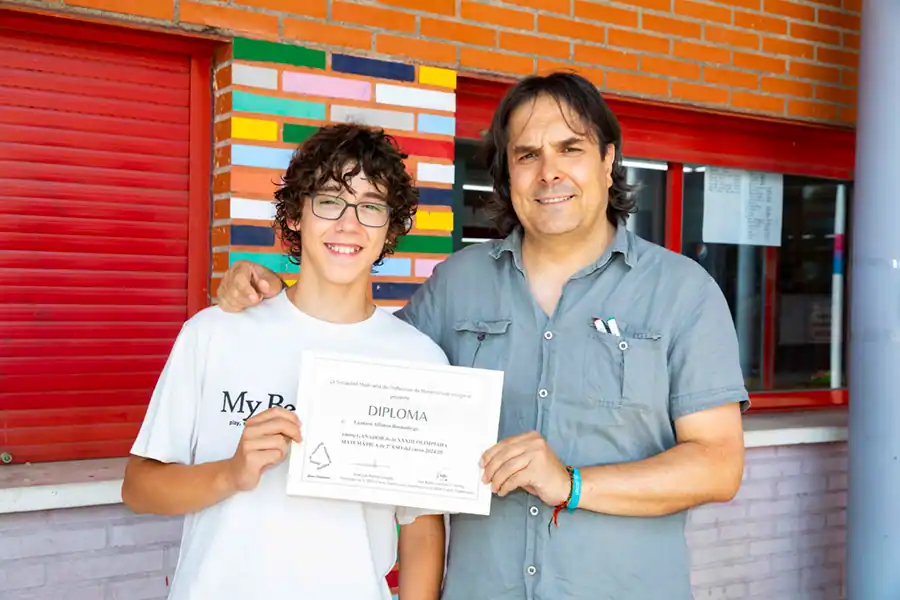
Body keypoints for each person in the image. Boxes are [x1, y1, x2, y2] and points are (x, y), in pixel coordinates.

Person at [216, 73, 748, 600]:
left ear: (608, 160)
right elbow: (356, 361)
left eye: (570, 148)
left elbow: (719, 465)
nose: (549, 172)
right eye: (527, 155)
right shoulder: (457, 285)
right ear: (507, 173)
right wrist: (268, 297)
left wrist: (572, 483)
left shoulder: (682, 293)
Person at [122, 123, 447, 600]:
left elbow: (420, 528)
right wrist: (230, 473)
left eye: (371, 206)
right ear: (295, 216)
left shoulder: (420, 360)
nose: (349, 224)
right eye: (330, 200)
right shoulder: (214, 333)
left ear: (390, 230)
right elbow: (139, 488)